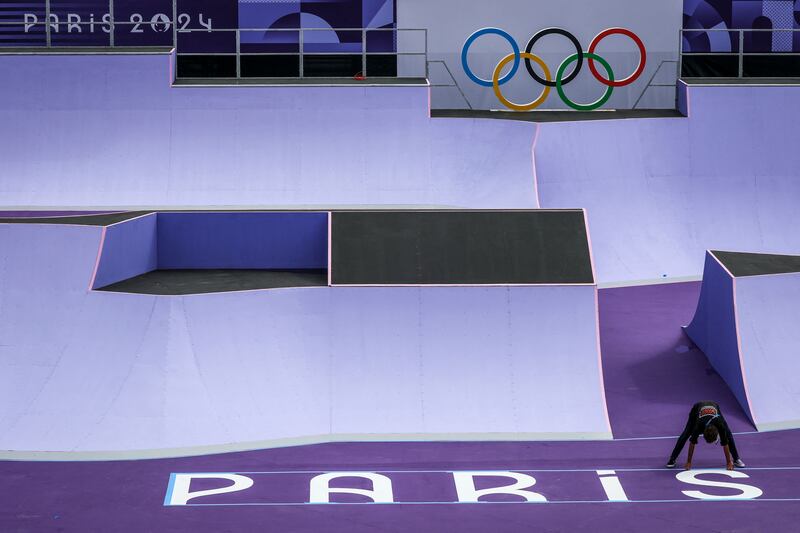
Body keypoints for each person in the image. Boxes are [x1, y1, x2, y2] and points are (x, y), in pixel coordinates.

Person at [666, 401, 745, 470]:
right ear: (703, 433)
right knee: (685, 434)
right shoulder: (698, 425)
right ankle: (672, 459)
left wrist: (728, 462)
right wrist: (688, 462)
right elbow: (692, 443)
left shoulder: (720, 424)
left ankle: (736, 459)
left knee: (728, 434)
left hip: (715, 406)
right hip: (697, 408)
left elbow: (725, 443)